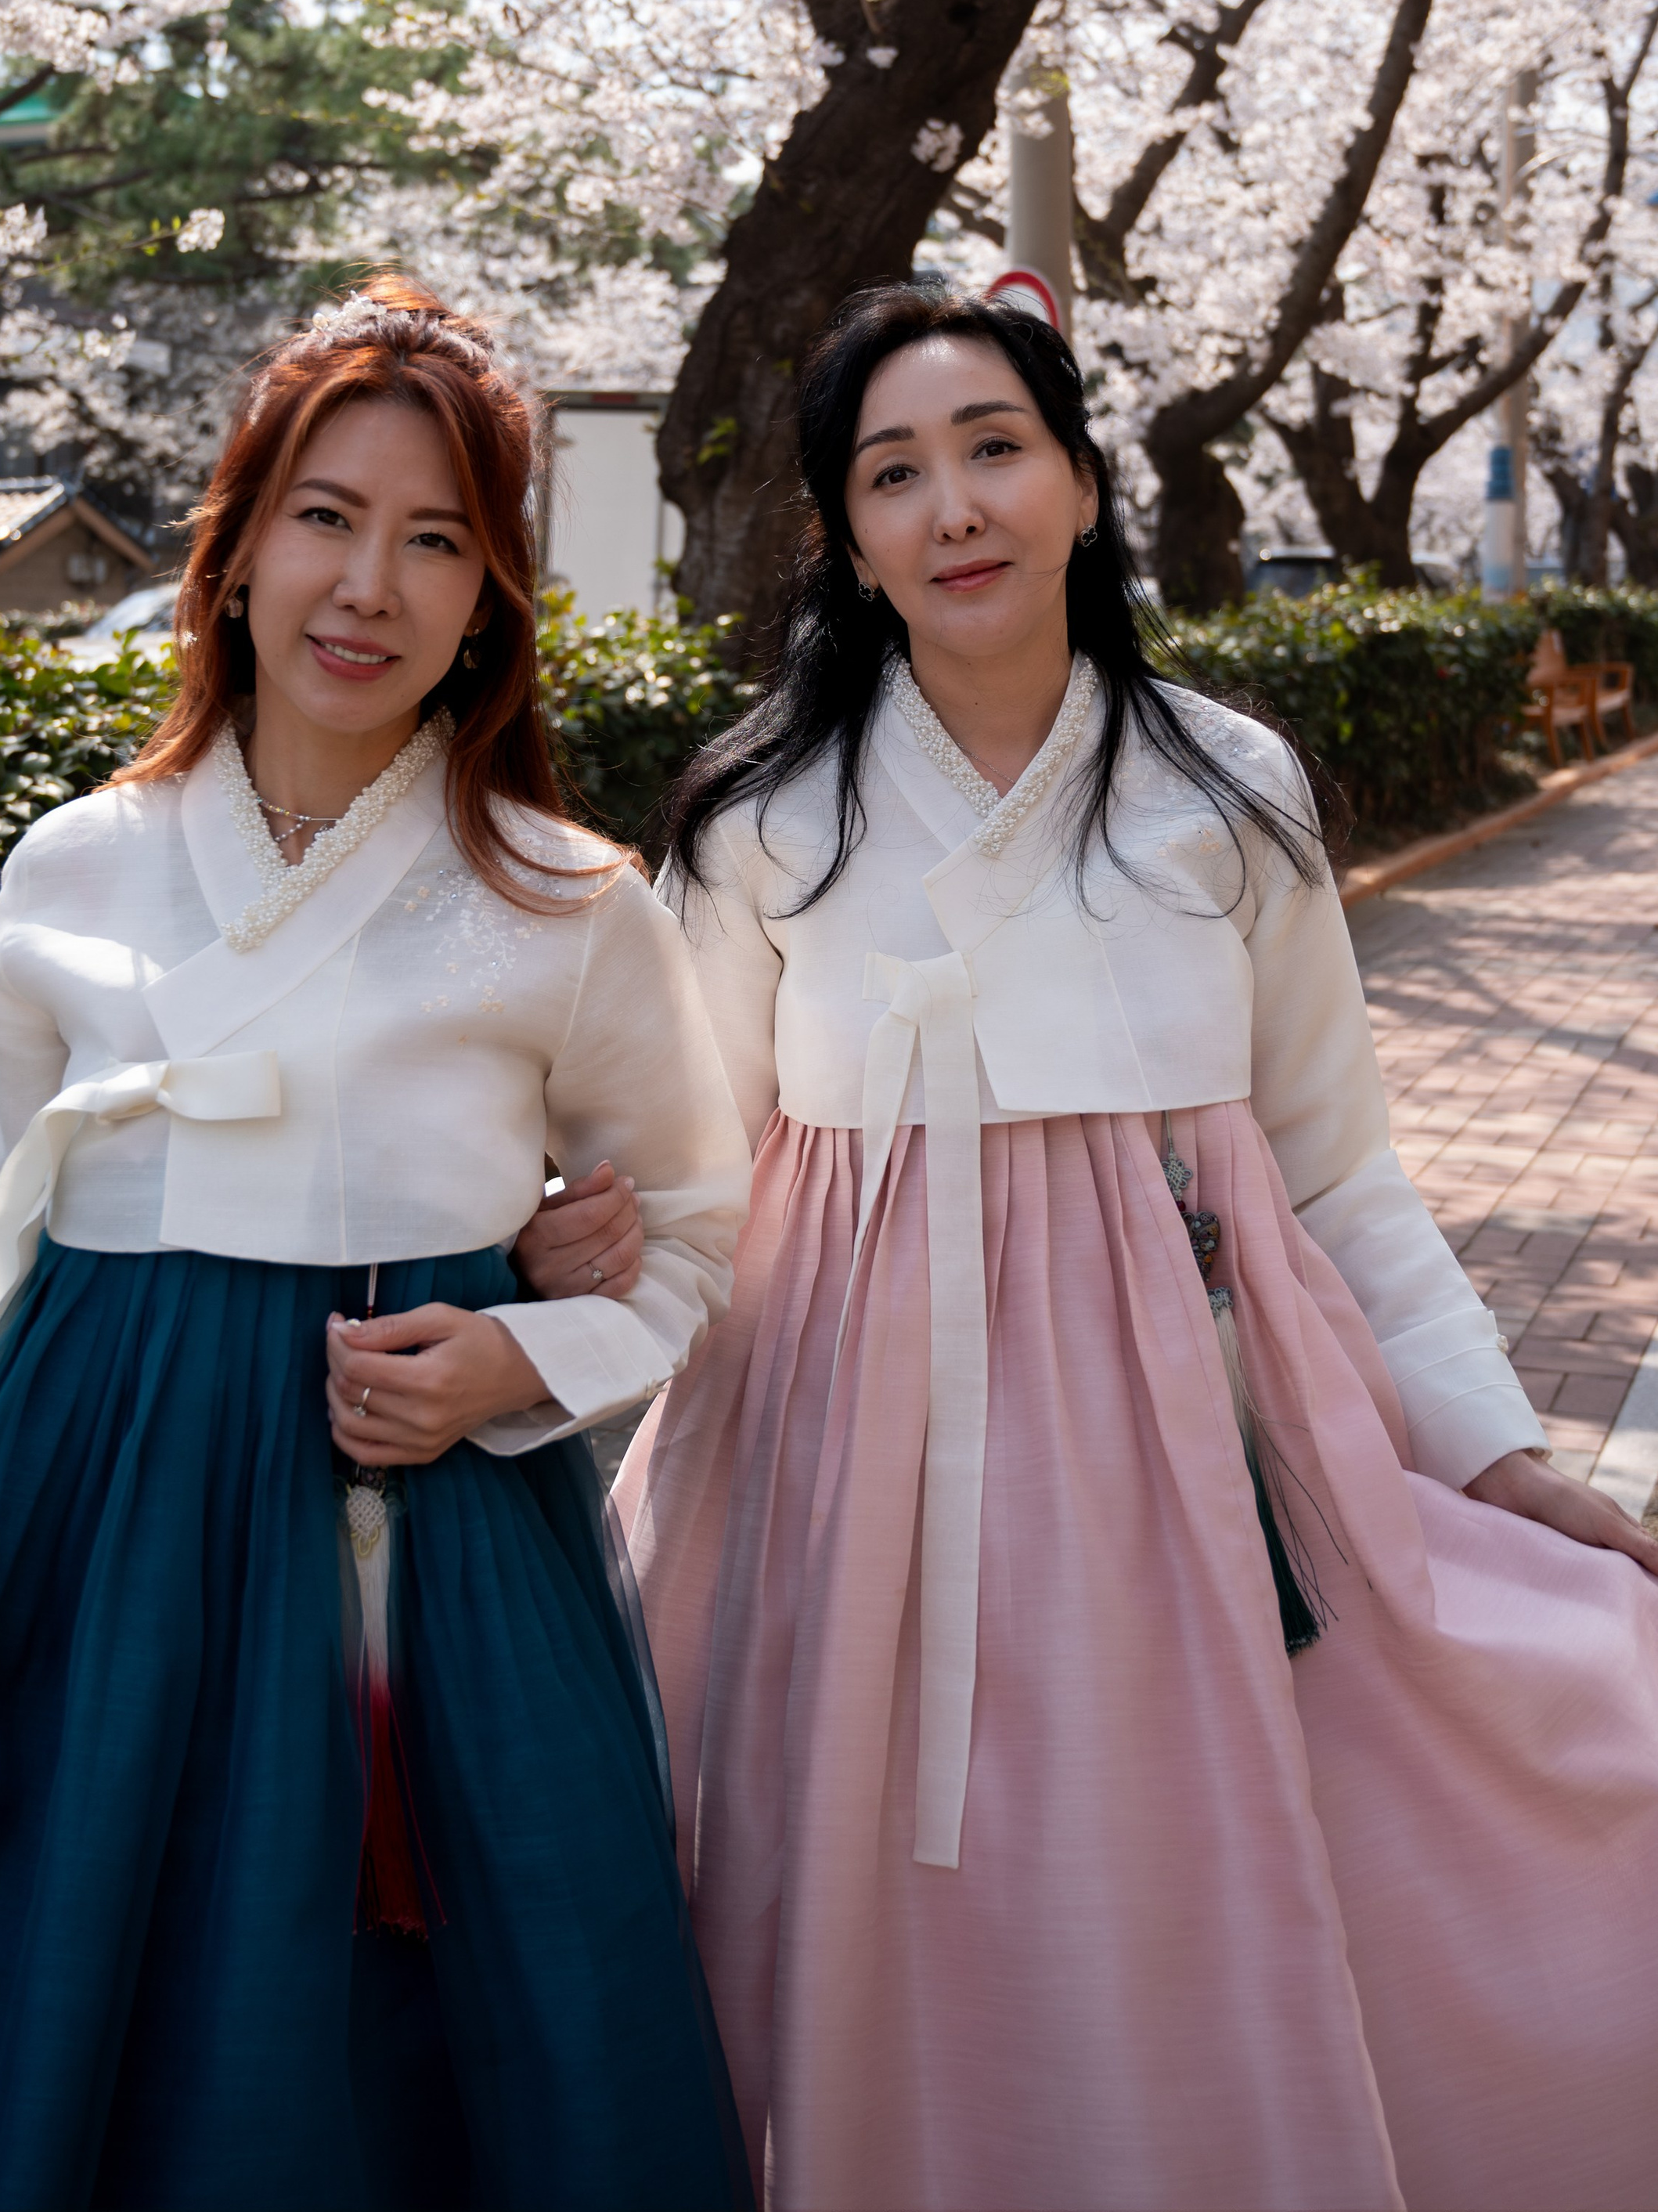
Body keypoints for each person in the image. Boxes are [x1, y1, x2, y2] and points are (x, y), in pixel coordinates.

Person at [0, 280, 754, 2212]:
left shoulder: (570, 904)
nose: (370, 583)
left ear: (493, 594)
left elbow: (692, 1240)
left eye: (437, 540)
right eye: (325, 514)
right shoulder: (79, 861)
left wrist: (518, 1362)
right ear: (234, 544)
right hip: (68, 1544)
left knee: (400, 2061)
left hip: (413, 1570)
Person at [617, 280, 1658, 2212]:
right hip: (855, 1470)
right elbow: (683, 1179)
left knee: (1250, 1856)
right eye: (894, 471)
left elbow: (1337, 1171)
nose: (954, 507)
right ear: (844, 538)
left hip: (1196, 1452)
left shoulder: (1220, 787)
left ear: (1084, 485)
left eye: (995, 448)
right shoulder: (768, 814)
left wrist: (1498, 1451)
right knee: (866, 1905)